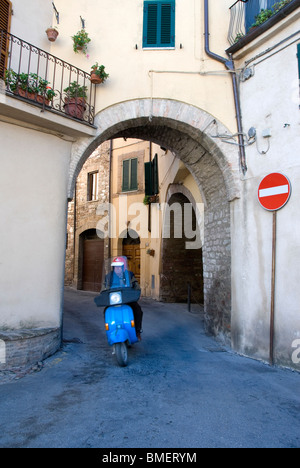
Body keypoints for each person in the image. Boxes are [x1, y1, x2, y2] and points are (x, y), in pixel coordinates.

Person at [105, 257, 143, 340]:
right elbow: (104, 287)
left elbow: (136, 285)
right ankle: (109, 329)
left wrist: (138, 293)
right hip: (114, 299)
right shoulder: (109, 276)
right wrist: (103, 294)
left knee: (138, 310)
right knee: (106, 310)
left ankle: (137, 331)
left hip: (127, 298)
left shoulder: (129, 275)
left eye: (119, 267)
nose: (117, 269)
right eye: (115, 267)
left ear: (123, 267)